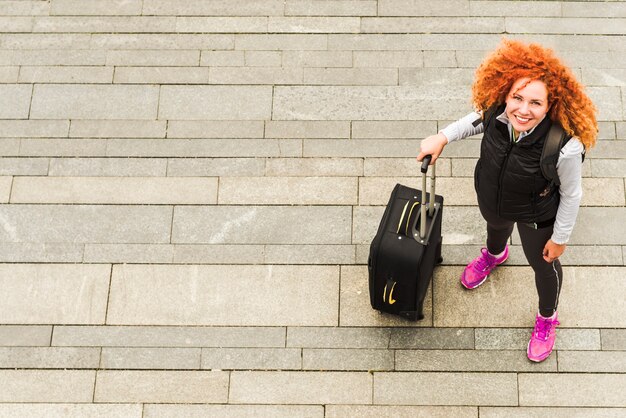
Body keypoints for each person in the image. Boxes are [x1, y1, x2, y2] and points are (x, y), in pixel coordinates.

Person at [417, 39, 597, 362]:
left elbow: (572, 194)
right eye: (517, 97)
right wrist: (442, 137)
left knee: (544, 266)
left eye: (535, 103)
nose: (523, 110)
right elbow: (471, 121)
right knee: (496, 227)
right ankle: (495, 255)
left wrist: (560, 239)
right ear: (506, 94)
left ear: (550, 105)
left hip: (535, 215)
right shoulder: (496, 111)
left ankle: (547, 318)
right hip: (495, 198)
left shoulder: (563, 146)